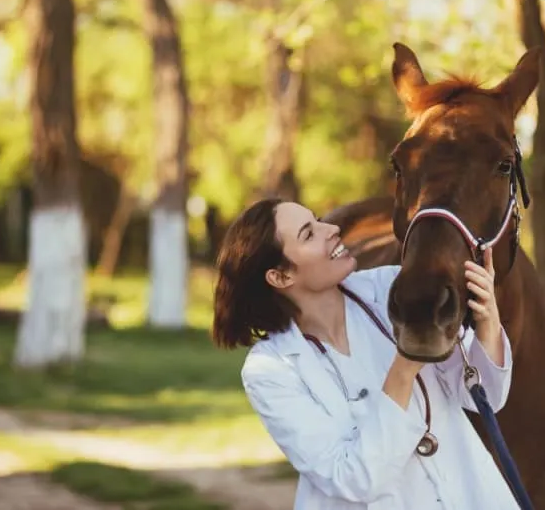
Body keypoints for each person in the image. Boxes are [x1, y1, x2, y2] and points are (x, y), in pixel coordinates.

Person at [212, 197, 520, 510]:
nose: (331, 229)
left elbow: (487, 397)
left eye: (318, 219)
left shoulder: (392, 289)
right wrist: (403, 369)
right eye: (308, 234)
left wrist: (487, 321)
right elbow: (353, 478)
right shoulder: (270, 370)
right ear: (281, 276)